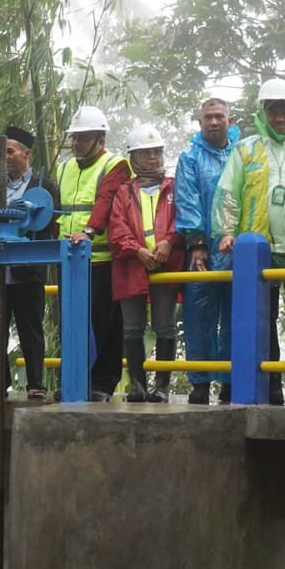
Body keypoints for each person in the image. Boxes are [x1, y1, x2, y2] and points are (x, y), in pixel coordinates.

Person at [216, 78, 285, 405]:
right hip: (259, 251)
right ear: (263, 113)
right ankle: (272, 381)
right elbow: (228, 192)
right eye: (273, 111)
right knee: (264, 319)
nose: (280, 118)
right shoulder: (245, 149)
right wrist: (226, 231)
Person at [0, 125, 60, 400]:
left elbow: (51, 223)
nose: (5, 157)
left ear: (27, 153)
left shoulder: (44, 187)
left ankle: (35, 383)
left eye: (9, 151)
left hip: (28, 268)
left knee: (29, 326)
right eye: (2, 153)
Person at [57, 105, 128, 401]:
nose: (76, 143)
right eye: (74, 138)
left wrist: (89, 231)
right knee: (70, 323)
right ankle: (73, 380)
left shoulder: (115, 165)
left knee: (104, 325)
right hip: (68, 258)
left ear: (100, 140)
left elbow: (106, 200)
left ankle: (102, 384)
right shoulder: (64, 168)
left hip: (101, 259)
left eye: (84, 138)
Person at [109, 127, 183, 403]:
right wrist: (137, 250)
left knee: (165, 326)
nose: (153, 158)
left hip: (167, 265)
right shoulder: (124, 191)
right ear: (134, 157)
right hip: (132, 266)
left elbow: (183, 218)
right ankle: (138, 386)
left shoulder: (174, 187)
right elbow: (117, 228)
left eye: (157, 152)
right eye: (146, 153)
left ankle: (162, 387)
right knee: (132, 327)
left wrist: (169, 242)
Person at [175, 98, 240, 405]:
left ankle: (231, 380)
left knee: (235, 314)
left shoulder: (242, 152)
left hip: (236, 245)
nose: (214, 122)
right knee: (199, 314)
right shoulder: (190, 156)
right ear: (200, 122)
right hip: (203, 248)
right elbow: (186, 198)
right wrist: (197, 243)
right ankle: (200, 381)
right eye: (208, 117)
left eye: (219, 117)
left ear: (230, 120)